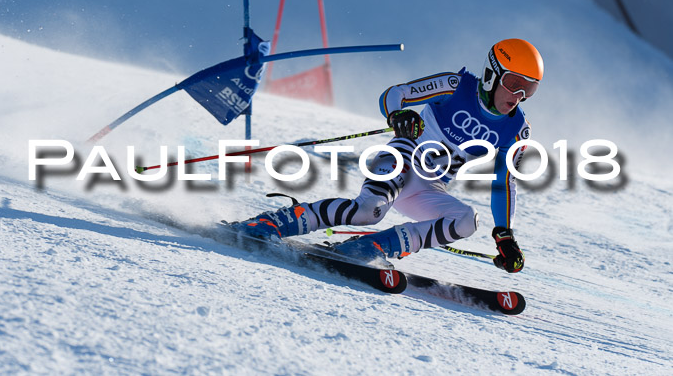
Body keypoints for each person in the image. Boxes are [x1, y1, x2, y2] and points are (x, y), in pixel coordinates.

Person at [233, 38, 543, 273]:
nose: (518, 97)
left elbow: (504, 183)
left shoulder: (517, 129)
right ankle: (272, 223)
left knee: (466, 221)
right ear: (492, 74)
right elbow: (394, 94)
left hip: (429, 187)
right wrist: (398, 116)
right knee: (369, 210)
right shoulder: (456, 85)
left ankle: (370, 247)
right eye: (513, 84)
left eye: (528, 90)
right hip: (402, 156)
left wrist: (504, 235)